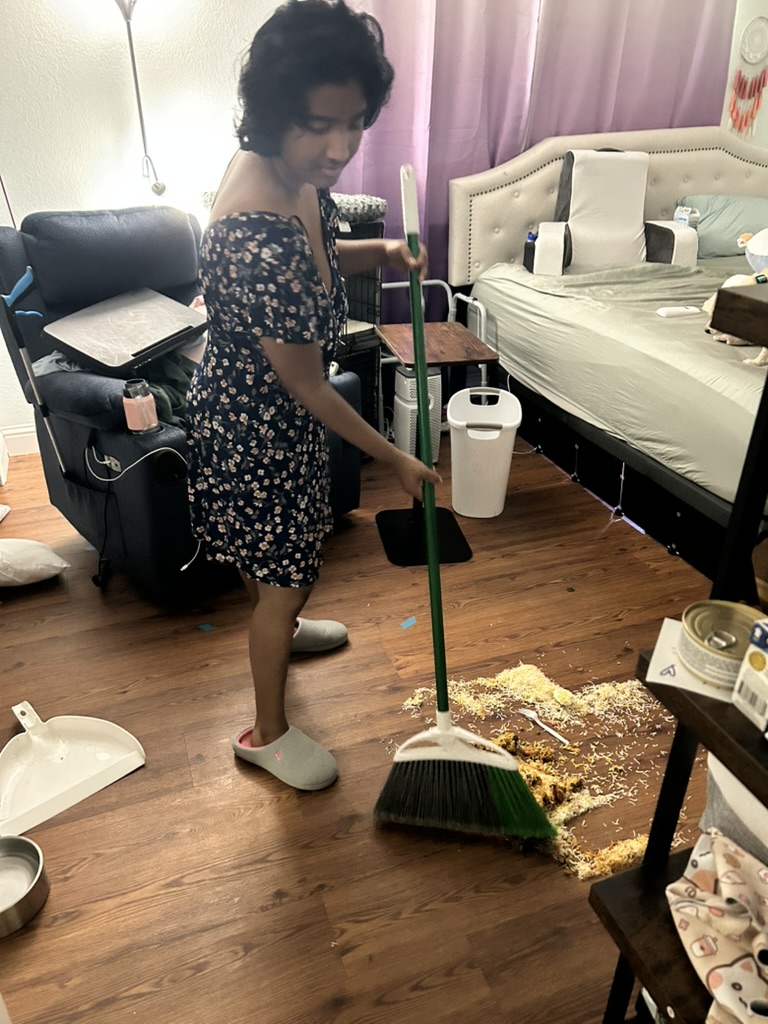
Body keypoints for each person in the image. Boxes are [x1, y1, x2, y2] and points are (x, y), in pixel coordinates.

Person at [186, 0, 440, 792]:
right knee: (286, 571)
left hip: (273, 414)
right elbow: (305, 382)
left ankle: (280, 626)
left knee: (280, 566)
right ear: (270, 116)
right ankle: (265, 732)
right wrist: (396, 457)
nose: (340, 148)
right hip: (255, 424)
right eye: (317, 125)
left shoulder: (292, 173)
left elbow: (325, 253)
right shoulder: (254, 227)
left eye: (355, 122)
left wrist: (385, 250)